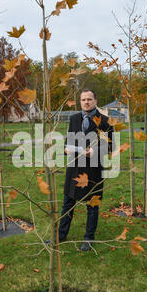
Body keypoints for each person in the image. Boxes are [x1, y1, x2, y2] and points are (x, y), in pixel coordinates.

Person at [58, 89, 114, 251]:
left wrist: (94, 152)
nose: (86, 102)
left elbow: (109, 146)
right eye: (83, 99)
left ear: (95, 101)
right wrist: (66, 149)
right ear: (80, 102)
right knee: (67, 203)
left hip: (94, 170)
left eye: (89, 99)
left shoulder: (104, 121)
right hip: (74, 168)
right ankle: (60, 235)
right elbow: (69, 140)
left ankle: (89, 239)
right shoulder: (74, 119)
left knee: (92, 205)